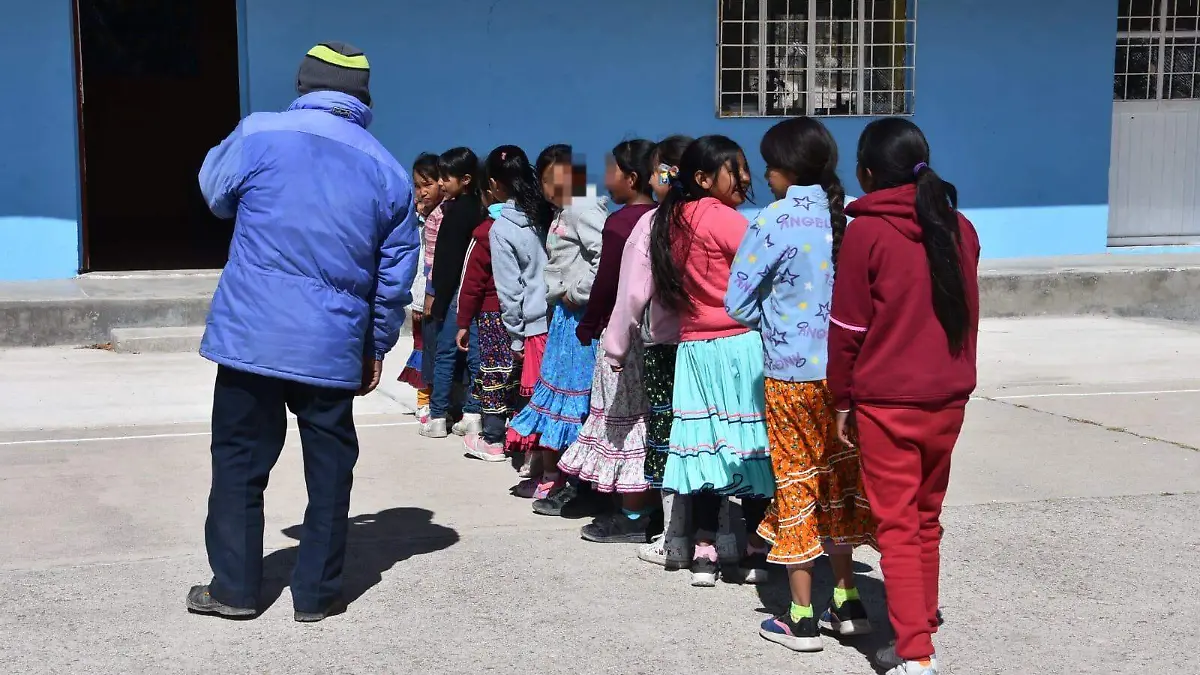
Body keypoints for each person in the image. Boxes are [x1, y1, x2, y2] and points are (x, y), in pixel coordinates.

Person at [187, 41, 419, 622]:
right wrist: (376, 345)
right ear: (362, 96)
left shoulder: (260, 133)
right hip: (333, 343)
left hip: (252, 337)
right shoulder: (388, 169)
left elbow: (215, 195)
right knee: (329, 466)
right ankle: (316, 596)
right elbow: (395, 278)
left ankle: (236, 590)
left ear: (303, 84)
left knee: (240, 460)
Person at [828, 117, 980, 675]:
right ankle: (924, 614)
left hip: (887, 399)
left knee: (896, 525)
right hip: (948, 395)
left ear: (867, 173)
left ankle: (915, 650)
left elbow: (846, 328)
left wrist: (841, 399)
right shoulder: (960, 228)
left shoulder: (867, 232)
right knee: (925, 517)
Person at [725, 117, 875, 652]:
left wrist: (782, 321)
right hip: (846, 378)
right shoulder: (852, 216)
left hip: (790, 376)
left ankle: (801, 615)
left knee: (797, 483)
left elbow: (737, 302)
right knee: (839, 482)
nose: (764, 174)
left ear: (785, 167)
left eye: (768, 163)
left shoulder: (772, 222)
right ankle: (849, 601)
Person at [649, 135, 774, 587]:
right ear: (703, 178)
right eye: (734, 168)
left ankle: (703, 552)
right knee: (751, 445)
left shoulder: (670, 219)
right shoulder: (725, 218)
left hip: (694, 350)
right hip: (739, 345)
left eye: (745, 167)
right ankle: (756, 549)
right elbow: (764, 271)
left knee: (702, 448)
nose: (744, 177)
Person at [559, 139, 658, 542]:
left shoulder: (621, 223)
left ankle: (633, 515)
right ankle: (650, 505)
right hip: (655, 337)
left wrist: (589, 325)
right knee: (647, 420)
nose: (605, 179)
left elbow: (608, 285)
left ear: (631, 178)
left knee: (622, 420)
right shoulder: (660, 216)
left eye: (612, 170)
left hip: (621, 336)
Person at [506, 144, 608, 514]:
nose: (548, 189)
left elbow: (604, 256)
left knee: (577, 398)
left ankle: (576, 479)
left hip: (579, 318)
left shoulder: (583, 206)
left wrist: (576, 293)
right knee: (561, 395)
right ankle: (561, 474)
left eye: (553, 180)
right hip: (565, 318)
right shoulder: (565, 210)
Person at [486, 145, 555, 463]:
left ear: (496, 185)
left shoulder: (501, 229)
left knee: (536, 402)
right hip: (564, 316)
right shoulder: (547, 211)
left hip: (534, 327)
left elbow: (510, 291)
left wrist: (515, 336)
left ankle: (543, 473)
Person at [421, 147, 487, 438]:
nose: (442, 183)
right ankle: (473, 412)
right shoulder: (480, 209)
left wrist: (438, 297)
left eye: (446, 177)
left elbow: (446, 261)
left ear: (466, 179)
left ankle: (437, 416)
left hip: (454, 294)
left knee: (445, 353)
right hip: (476, 291)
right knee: (474, 353)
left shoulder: (454, 212)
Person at [456, 187, 520, 461]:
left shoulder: (485, 232)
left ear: (490, 188)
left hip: (493, 313)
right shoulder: (534, 224)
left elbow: (471, 283)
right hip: (528, 313)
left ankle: (493, 438)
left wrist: (462, 321)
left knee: (494, 370)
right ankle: (520, 438)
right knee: (519, 371)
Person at [399, 152, 443, 422]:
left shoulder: (442, 218)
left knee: (437, 348)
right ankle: (423, 399)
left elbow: (435, 262)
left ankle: (441, 397)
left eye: (427, 184)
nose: (422, 191)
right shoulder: (417, 219)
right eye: (417, 185)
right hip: (420, 294)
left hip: (435, 293)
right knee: (422, 344)